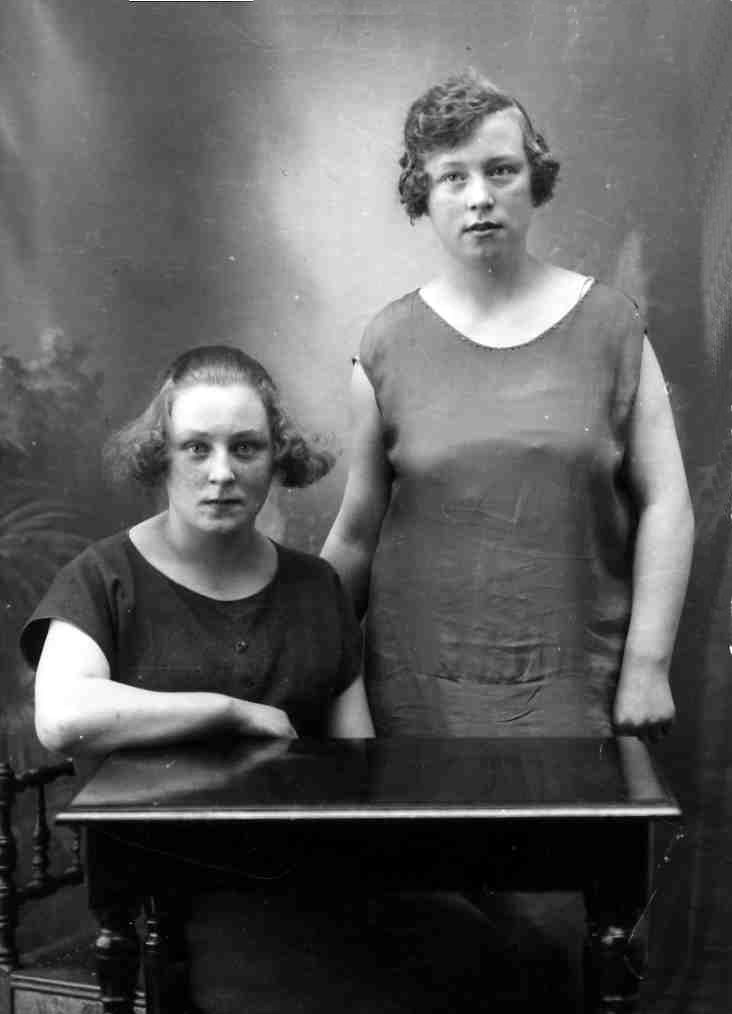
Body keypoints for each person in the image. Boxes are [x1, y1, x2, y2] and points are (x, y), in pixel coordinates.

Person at [322, 70, 694, 742]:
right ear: (422, 193)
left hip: (577, 695)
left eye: (501, 170)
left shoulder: (612, 326)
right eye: (453, 177)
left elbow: (667, 505)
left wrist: (648, 667)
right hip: (417, 704)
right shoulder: (386, 343)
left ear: (534, 178)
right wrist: (296, 653)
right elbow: (355, 535)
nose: (480, 198)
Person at [24, 344, 374, 756]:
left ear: (276, 457)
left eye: (245, 447)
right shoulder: (101, 577)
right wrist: (232, 713)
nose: (222, 473)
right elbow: (62, 719)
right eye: (196, 448)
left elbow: (360, 761)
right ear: (161, 456)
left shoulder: (318, 586)